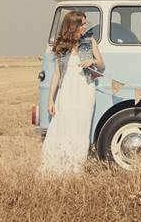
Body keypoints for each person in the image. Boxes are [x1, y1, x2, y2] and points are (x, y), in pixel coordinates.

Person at [39, 10, 105, 176]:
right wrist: (50, 100)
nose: (85, 27)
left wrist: (93, 61)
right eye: (82, 24)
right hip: (66, 91)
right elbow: (56, 74)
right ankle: (57, 167)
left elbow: (102, 65)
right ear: (73, 26)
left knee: (80, 128)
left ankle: (75, 168)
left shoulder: (89, 42)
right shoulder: (61, 47)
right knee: (63, 126)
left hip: (85, 89)